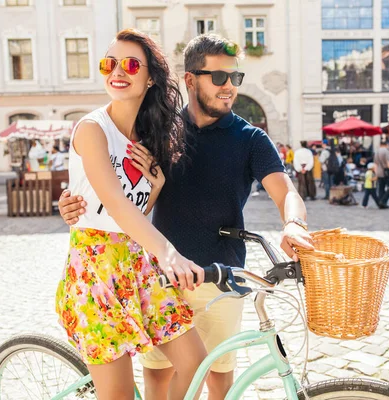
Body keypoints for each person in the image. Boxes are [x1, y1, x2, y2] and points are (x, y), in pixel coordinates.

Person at [58, 33, 313, 400]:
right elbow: (113, 195)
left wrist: (294, 222)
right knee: (156, 380)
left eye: (235, 78)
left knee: (216, 378)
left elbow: (285, 189)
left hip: (219, 275)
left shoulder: (250, 138)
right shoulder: (159, 130)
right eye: (219, 77)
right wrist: (73, 203)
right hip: (160, 273)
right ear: (191, 79)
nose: (229, 87)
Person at [54, 29, 209, 400]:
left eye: (131, 64)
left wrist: (154, 185)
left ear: (150, 76)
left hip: (138, 263)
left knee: (195, 362)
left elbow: (135, 209)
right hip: (95, 269)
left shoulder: (148, 136)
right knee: (119, 394)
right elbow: (118, 207)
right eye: (109, 63)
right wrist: (170, 254)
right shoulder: (92, 129)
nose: (117, 72)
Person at [373, 140, 389, 208]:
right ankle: (383, 201)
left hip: (379, 172)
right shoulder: (386, 151)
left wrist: (376, 172)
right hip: (386, 172)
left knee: (381, 188)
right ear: (386, 144)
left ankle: (380, 203)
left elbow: (375, 164)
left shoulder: (376, 152)